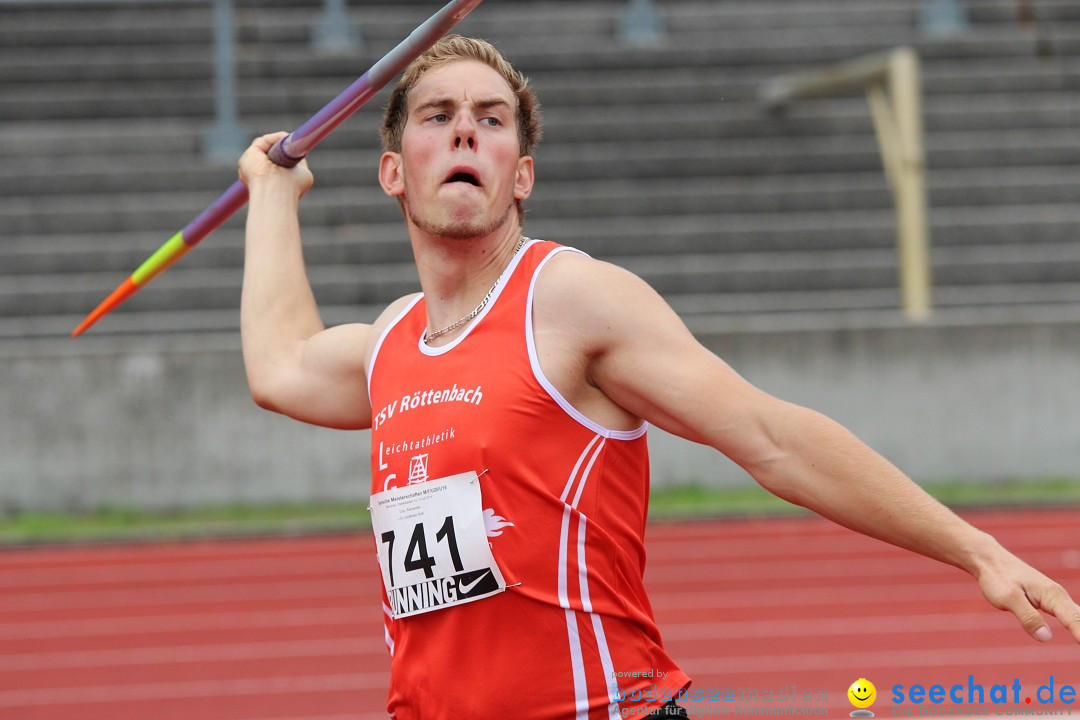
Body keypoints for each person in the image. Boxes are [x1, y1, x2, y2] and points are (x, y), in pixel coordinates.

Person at [237, 35, 1079, 720]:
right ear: (394, 171)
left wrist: (976, 551)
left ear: (520, 175)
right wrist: (272, 193)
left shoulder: (571, 302)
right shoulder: (392, 343)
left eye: (492, 120)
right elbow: (279, 367)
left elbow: (773, 438)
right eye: (439, 115)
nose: (466, 132)